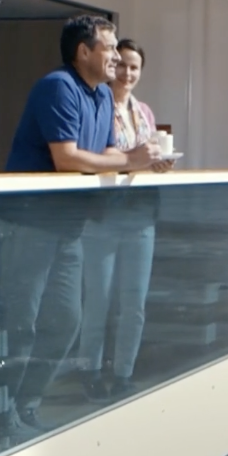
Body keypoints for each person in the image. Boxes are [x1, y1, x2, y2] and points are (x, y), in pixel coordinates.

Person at [0, 15, 167, 438]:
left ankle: (25, 404)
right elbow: (68, 158)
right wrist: (130, 160)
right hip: (31, 223)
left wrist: (144, 158)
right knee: (21, 322)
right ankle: (0, 416)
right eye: (108, 48)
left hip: (69, 224)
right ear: (83, 52)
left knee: (65, 322)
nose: (115, 56)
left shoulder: (102, 99)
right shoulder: (58, 87)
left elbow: (105, 150)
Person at [79, 39, 166, 403]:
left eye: (135, 67)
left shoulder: (143, 111)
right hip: (103, 214)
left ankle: (124, 373)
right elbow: (101, 153)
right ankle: (90, 372)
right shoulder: (98, 104)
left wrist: (158, 161)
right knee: (97, 299)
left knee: (134, 302)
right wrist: (136, 158)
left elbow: (142, 156)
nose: (128, 73)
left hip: (140, 214)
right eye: (123, 65)